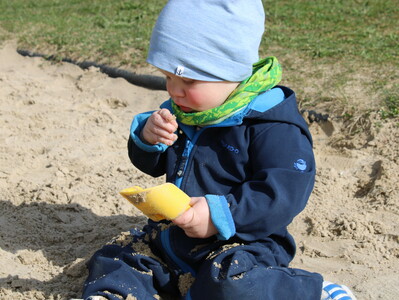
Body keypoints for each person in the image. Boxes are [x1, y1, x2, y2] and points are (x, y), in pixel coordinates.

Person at [80, 1, 357, 299]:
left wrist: (218, 215)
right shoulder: (186, 111)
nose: (174, 90)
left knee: (230, 283)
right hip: (175, 236)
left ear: (230, 71)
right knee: (120, 256)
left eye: (188, 80)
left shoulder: (272, 125)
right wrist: (149, 140)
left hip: (243, 243)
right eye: (168, 76)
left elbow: (283, 192)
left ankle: (312, 291)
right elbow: (154, 164)